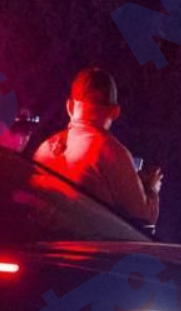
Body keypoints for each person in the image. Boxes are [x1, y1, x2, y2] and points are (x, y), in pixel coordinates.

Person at [33, 68, 162, 225]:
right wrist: (151, 190)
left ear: (70, 107)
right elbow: (144, 218)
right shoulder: (111, 152)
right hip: (81, 240)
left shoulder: (45, 148)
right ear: (115, 112)